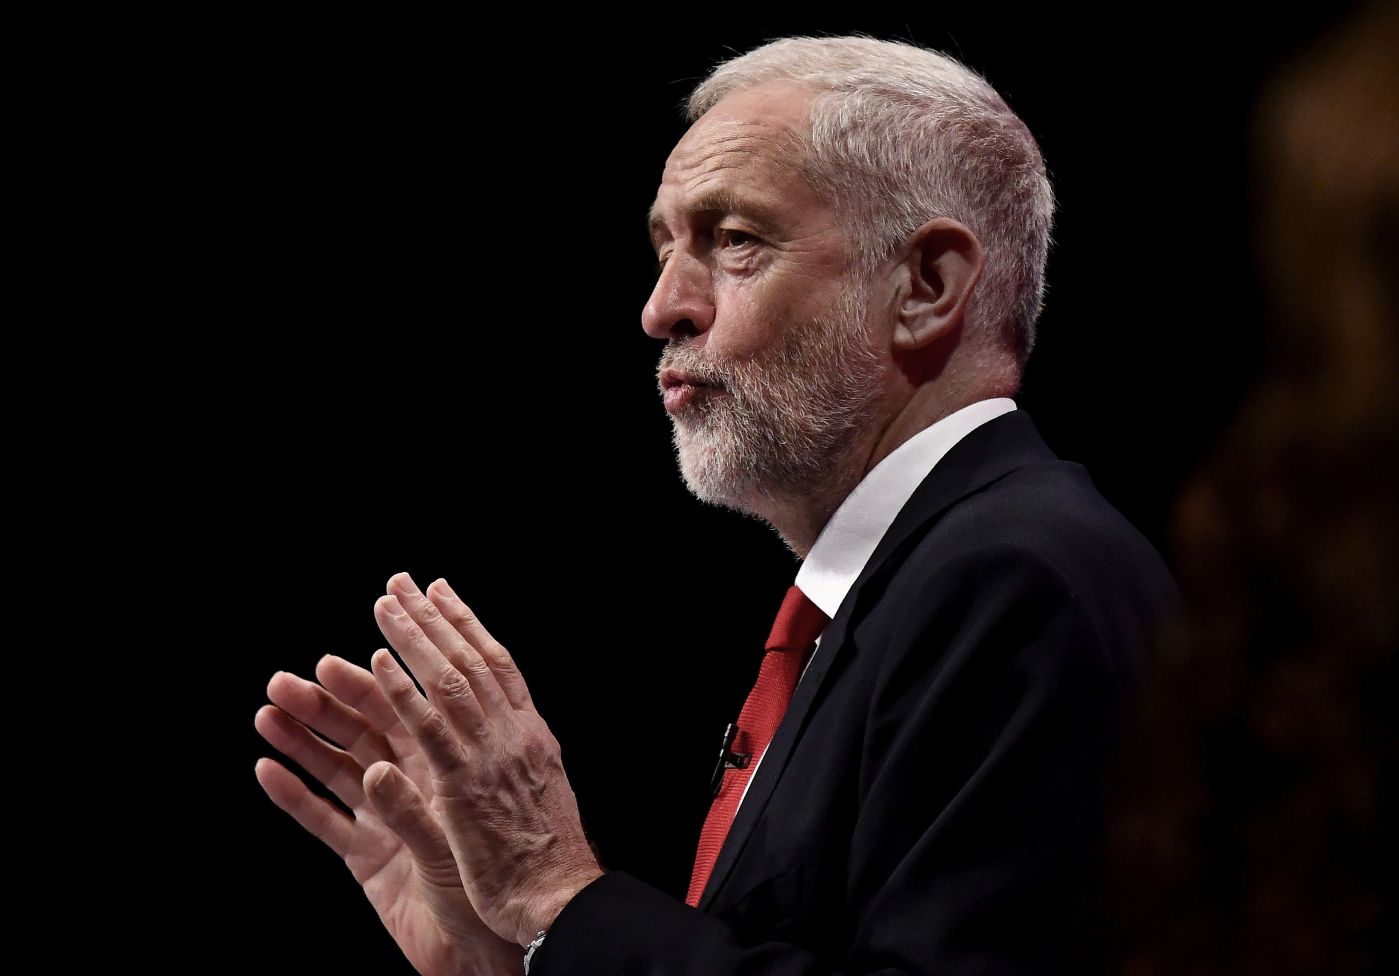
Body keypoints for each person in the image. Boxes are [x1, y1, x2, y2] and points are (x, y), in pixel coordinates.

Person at [254, 35, 1180, 975]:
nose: (662, 308)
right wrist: (522, 956)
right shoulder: (907, 588)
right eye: (664, 247)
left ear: (926, 286)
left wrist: (554, 895)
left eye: (734, 240)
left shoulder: (1017, 582)